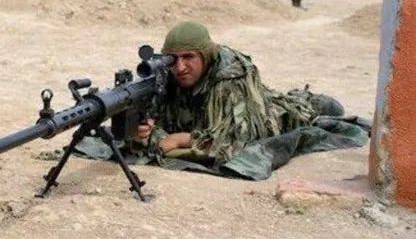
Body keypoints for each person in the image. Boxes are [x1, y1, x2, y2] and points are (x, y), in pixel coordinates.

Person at [135, 21, 345, 168]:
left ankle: (309, 100)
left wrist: (182, 140)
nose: (180, 67)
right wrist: (147, 127)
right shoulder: (168, 73)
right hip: (214, 117)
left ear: (206, 55)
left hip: (276, 115)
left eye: (189, 57)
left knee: (310, 108)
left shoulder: (230, 76)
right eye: (173, 59)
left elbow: (235, 141)